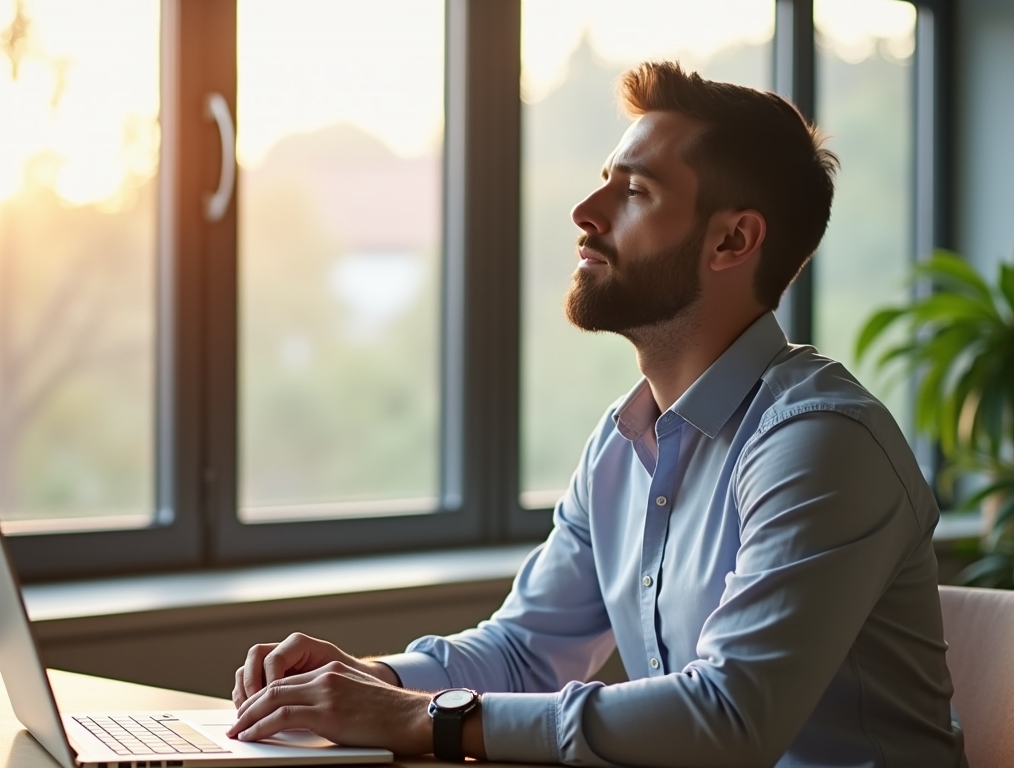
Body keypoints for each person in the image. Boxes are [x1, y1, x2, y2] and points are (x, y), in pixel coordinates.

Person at [225, 60, 965, 767]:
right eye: (605, 179)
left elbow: (729, 719)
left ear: (732, 240)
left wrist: (422, 718)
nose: (585, 212)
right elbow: (525, 651)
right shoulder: (622, 445)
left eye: (635, 190)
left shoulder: (821, 444)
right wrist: (371, 680)